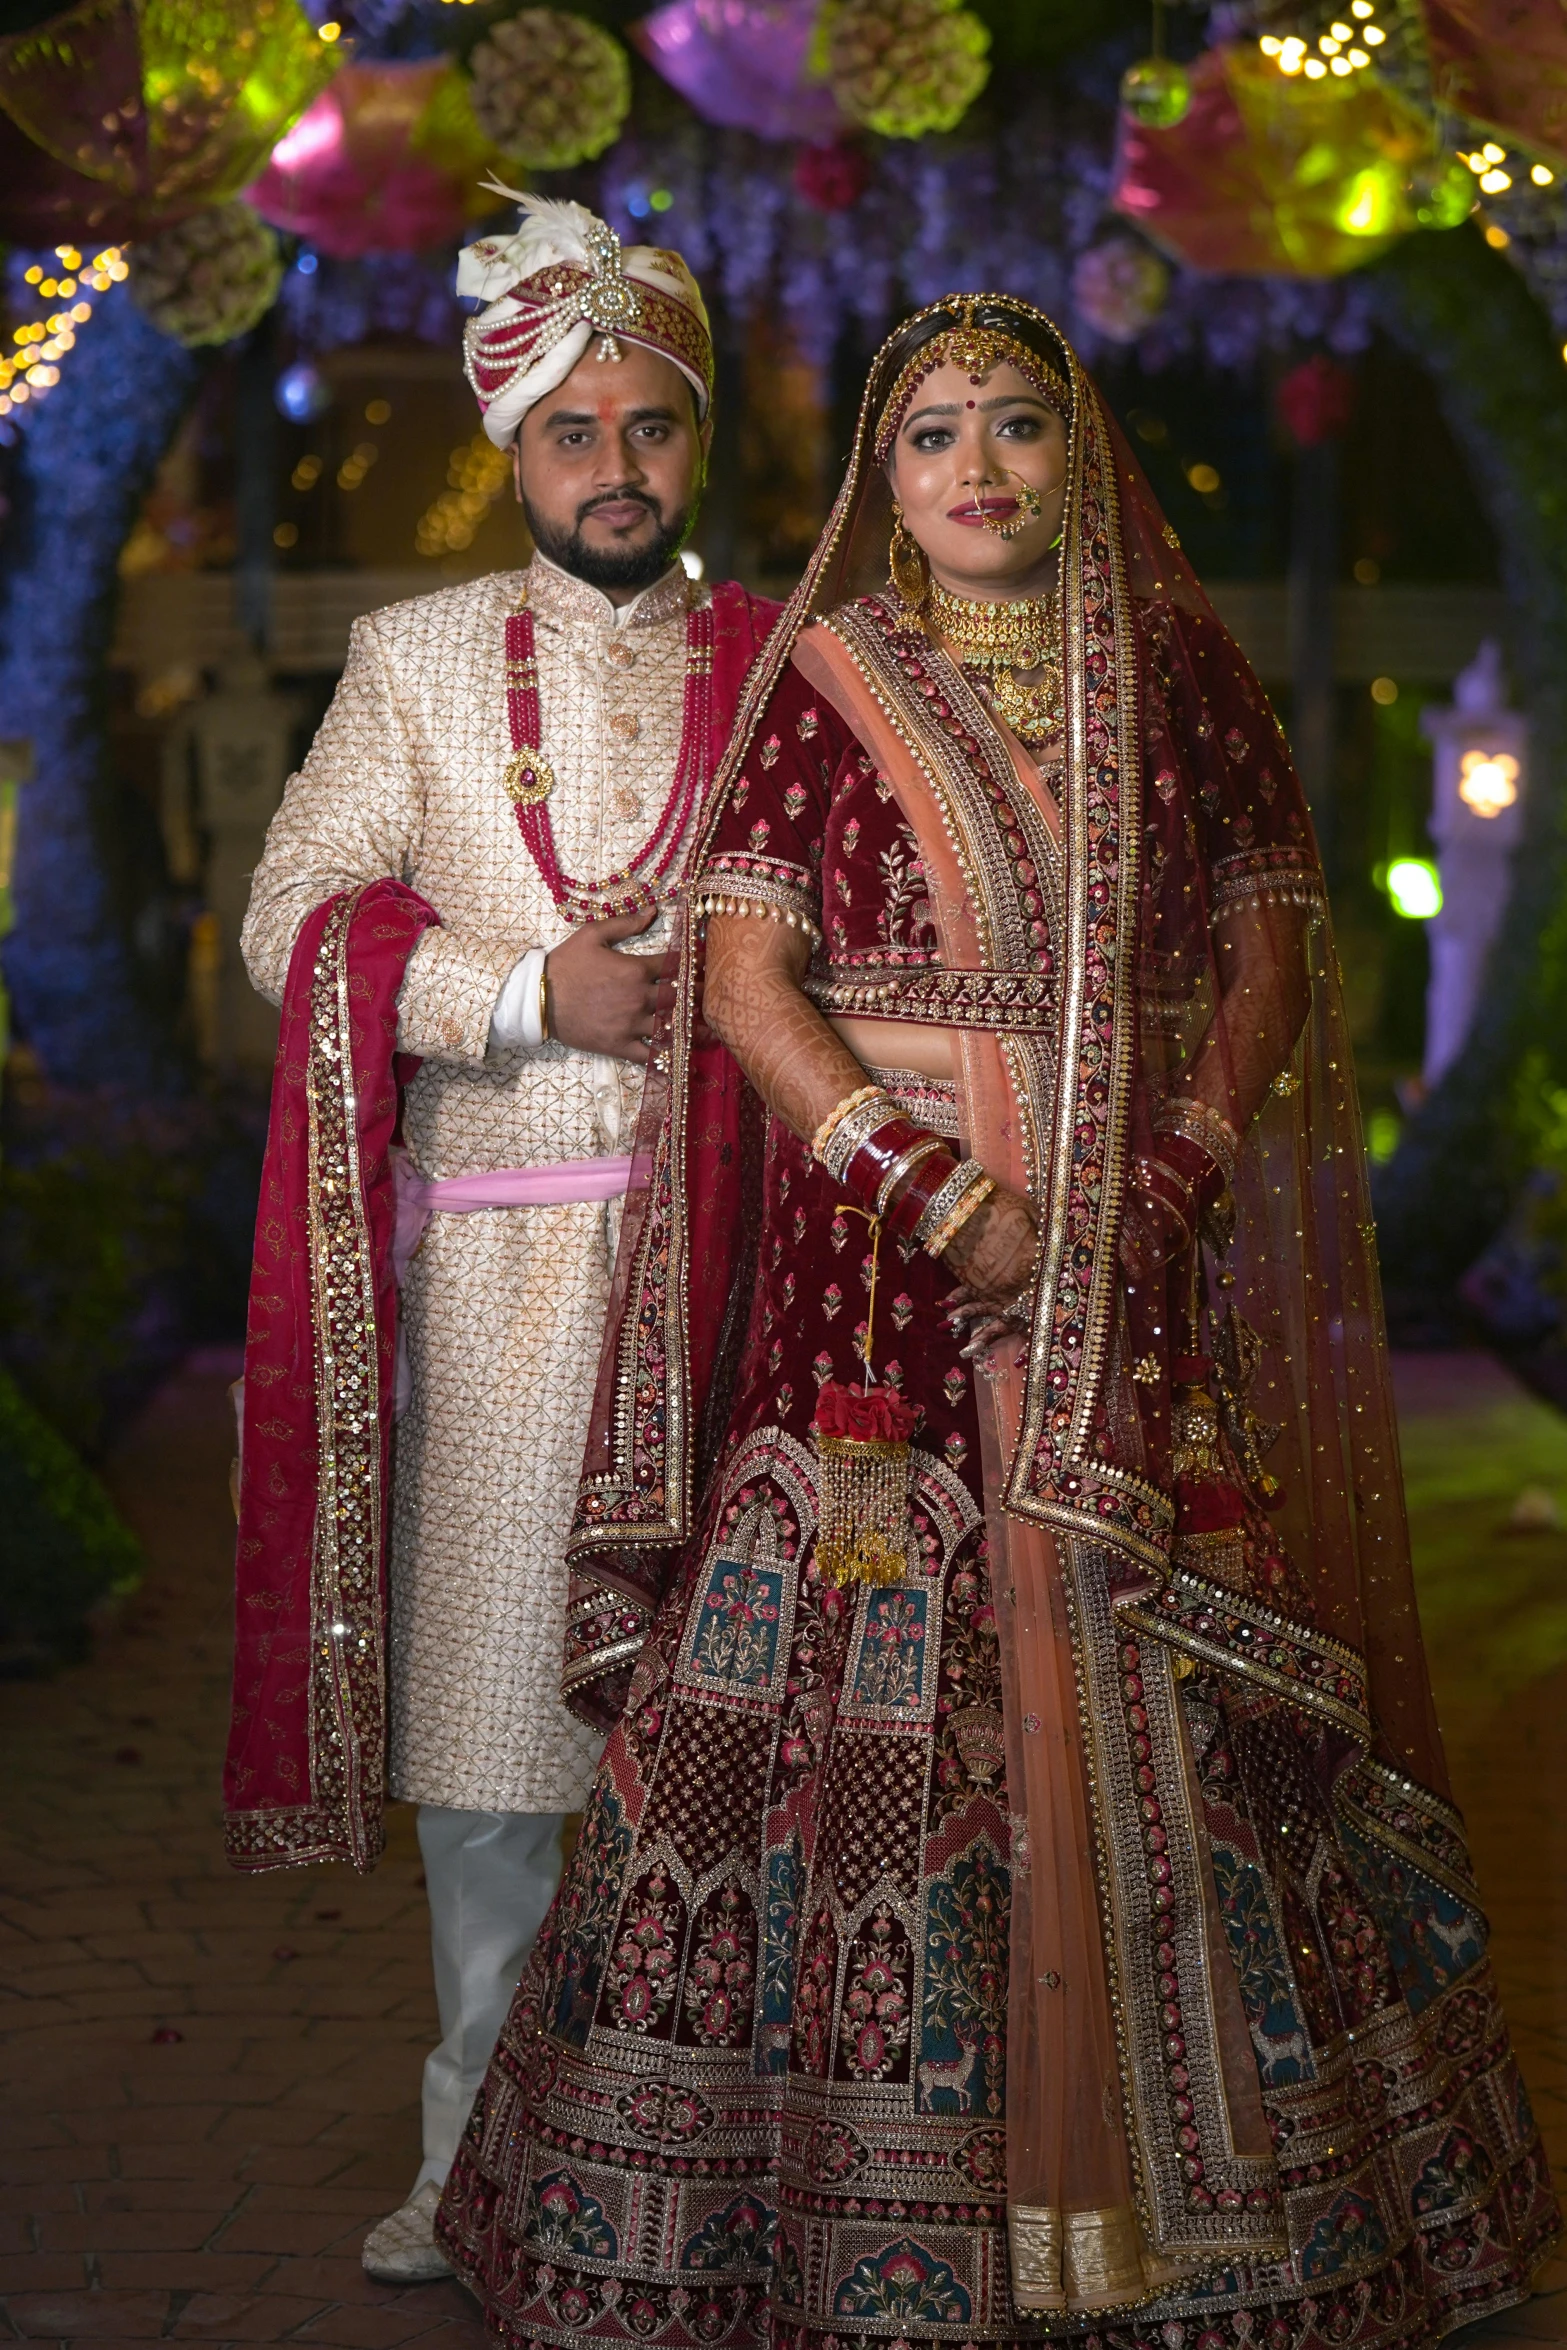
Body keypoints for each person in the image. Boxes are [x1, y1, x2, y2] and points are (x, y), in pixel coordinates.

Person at [437, 295, 1558, 2345]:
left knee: (1172, 1678)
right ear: (890, 470)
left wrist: (1167, 1170)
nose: (978, 466)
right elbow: (752, 981)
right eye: (937, 430)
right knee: (875, 1683)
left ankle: (1222, 2213)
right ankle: (805, 2219)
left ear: (1079, 451)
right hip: (880, 1277)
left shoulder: (1179, 672)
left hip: (1129, 1265)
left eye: (1020, 426)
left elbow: (1266, 951)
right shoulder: (825, 682)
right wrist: (930, 1179)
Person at [229, 194, 778, 2284]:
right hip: (503, 1274)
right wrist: (535, 990)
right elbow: (295, 918)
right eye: (572, 429)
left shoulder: (794, 653)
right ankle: (472, 2158)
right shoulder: (421, 659)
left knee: (743, 1732)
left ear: (692, 439)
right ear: (514, 450)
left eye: (650, 423)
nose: (615, 463)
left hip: (749, 1271)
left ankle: (726, 2161)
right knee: (495, 1742)